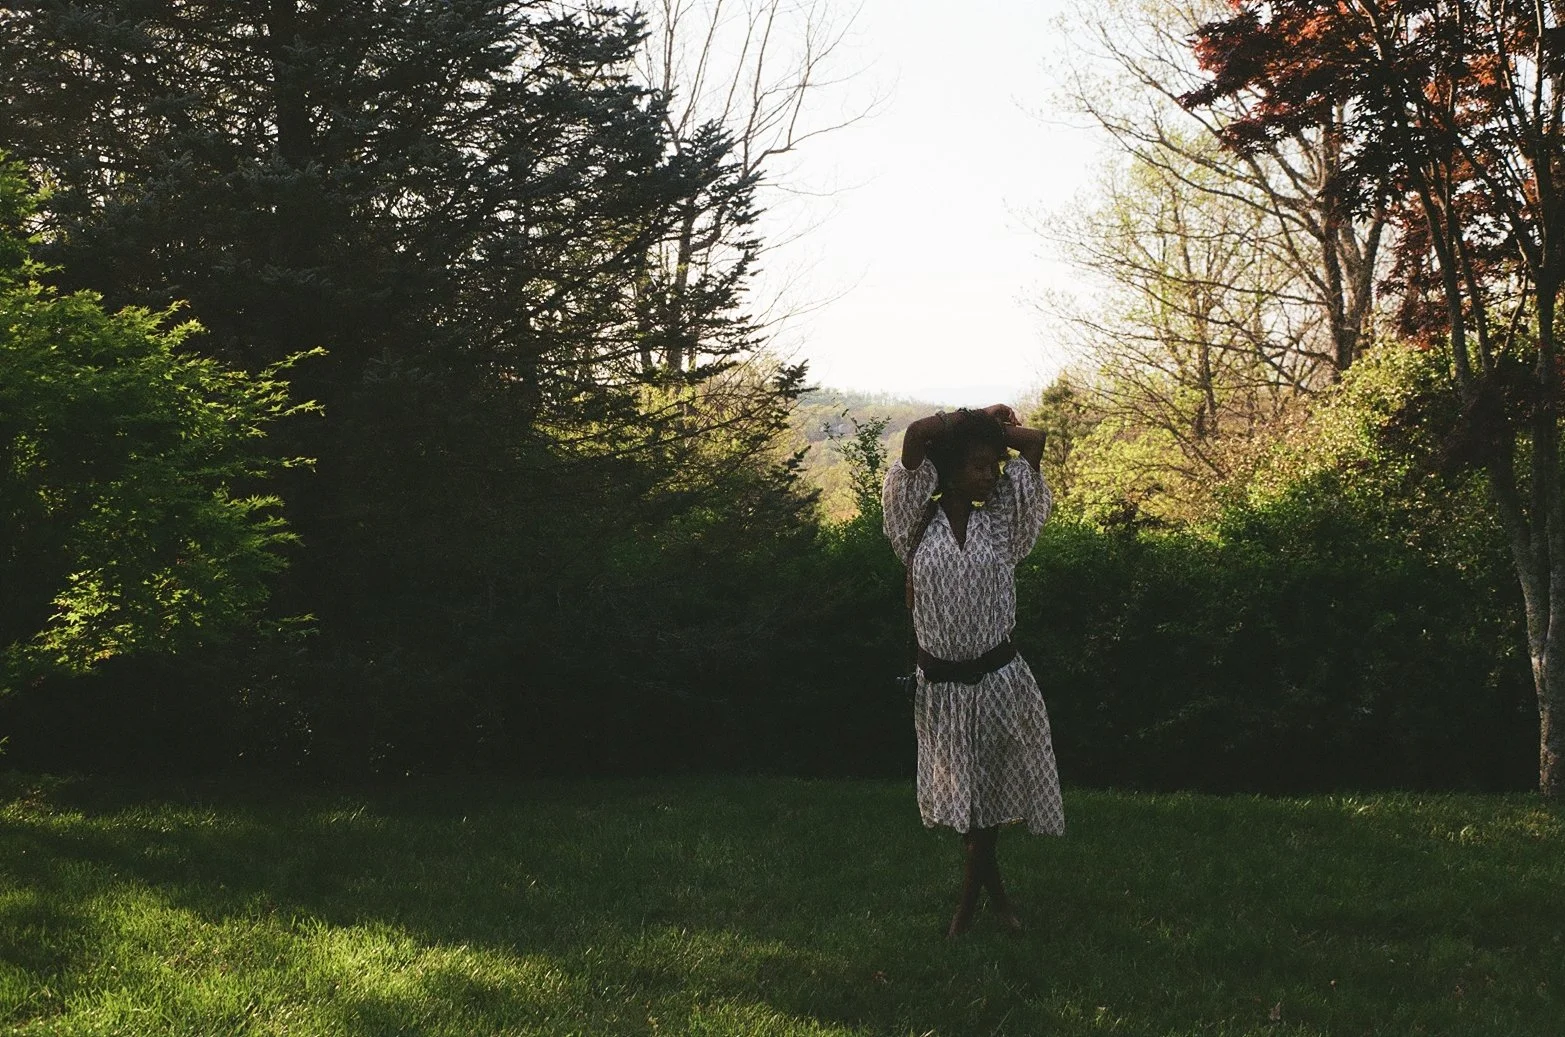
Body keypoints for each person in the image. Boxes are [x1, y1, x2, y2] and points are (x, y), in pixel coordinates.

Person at [882, 404, 1064, 938]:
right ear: (950, 468)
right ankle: (993, 896)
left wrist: (992, 433)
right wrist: (973, 420)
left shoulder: (1003, 521)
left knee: (987, 797)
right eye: (979, 465)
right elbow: (917, 436)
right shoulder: (911, 519)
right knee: (967, 798)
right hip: (941, 688)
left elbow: (1034, 442)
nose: (990, 475)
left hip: (999, 679)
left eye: (994, 466)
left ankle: (969, 905)